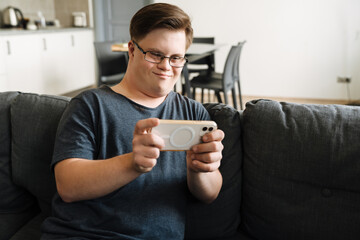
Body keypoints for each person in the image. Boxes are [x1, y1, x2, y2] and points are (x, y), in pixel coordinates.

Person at [41, 3, 224, 239]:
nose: (166, 66)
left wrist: (200, 169)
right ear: (132, 49)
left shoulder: (194, 113)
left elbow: (210, 194)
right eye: (156, 54)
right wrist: (132, 164)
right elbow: (68, 186)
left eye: (176, 58)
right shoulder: (91, 104)